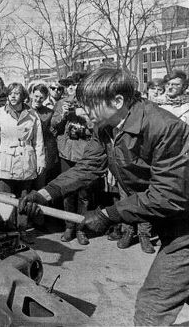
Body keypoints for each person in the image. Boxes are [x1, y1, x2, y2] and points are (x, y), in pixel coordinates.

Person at [19, 66, 189, 326]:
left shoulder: (165, 128)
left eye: (90, 106)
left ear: (117, 101)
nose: (83, 112)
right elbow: (87, 168)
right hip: (169, 224)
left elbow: (168, 195)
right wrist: (43, 194)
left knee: (151, 308)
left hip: (184, 229)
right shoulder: (105, 128)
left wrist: (107, 214)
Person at [0, 83, 45, 214]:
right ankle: (9, 231)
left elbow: (38, 141)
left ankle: (22, 230)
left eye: (16, 93)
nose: (13, 96)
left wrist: (40, 161)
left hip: (26, 163)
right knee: (6, 202)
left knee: (25, 201)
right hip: (5, 164)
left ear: (23, 96)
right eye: (10, 93)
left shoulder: (32, 115)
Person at [51, 71, 94, 245]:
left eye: (76, 84)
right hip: (66, 154)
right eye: (69, 85)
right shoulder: (62, 103)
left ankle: (81, 229)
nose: (72, 88)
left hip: (84, 154)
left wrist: (84, 118)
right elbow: (54, 126)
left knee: (84, 193)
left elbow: (97, 127)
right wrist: (63, 114)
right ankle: (69, 227)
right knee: (68, 191)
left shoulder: (91, 103)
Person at [30, 84, 59, 188]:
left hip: (42, 152)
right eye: (36, 96)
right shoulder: (23, 109)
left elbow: (52, 134)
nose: (38, 99)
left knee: (40, 184)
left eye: (41, 97)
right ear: (31, 94)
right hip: (26, 151)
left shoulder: (49, 113)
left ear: (45, 98)